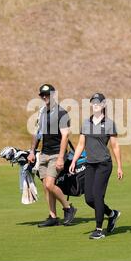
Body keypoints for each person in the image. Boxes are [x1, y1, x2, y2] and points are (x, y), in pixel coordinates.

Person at [69, 93, 123, 239]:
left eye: (98, 103)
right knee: (89, 199)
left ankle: (99, 230)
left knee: (98, 196)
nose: (95, 105)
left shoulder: (110, 123)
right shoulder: (86, 123)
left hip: (104, 164)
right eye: (93, 103)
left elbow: (115, 146)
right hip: (90, 164)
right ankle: (112, 214)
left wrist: (119, 166)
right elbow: (81, 144)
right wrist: (74, 161)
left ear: (104, 105)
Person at [27, 84, 77, 227]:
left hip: (56, 154)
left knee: (50, 184)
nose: (44, 97)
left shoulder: (62, 113)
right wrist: (32, 151)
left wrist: (61, 157)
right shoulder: (42, 112)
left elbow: (65, 136)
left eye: (47, 94)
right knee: (46, 186)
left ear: (53, 95)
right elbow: (37, 133)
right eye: (42, 95)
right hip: (44, 153)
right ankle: (53, 216)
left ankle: (68, 208)